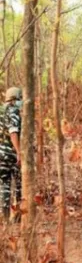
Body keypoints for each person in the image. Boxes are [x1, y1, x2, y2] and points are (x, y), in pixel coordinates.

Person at [0, 87, 22, 223]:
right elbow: (13, 131)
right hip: (10, 153)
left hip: (0, 153)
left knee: (5, 185)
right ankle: (19, 215)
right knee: (19, 184)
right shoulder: (13, 110)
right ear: (16, 98)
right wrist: (18, 151)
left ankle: (5, 217)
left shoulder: (1, 110)